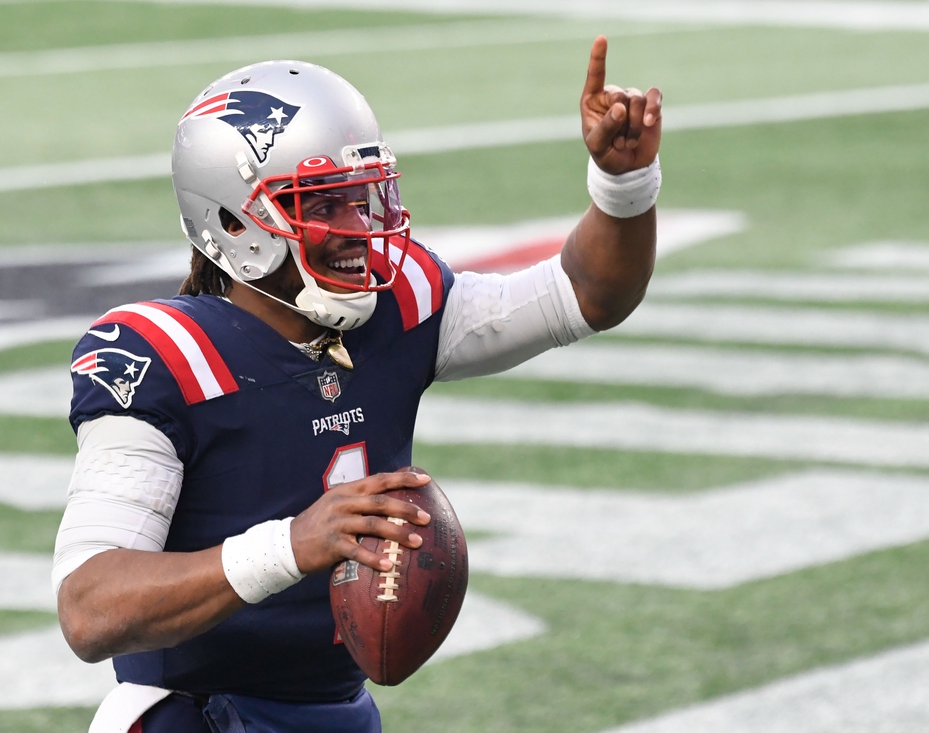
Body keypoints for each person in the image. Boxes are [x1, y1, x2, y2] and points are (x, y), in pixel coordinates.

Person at [53, 36, 662, 733]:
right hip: (192, 718)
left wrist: (623, 187)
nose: (358, 229)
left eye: (362, 200)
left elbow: (583, 294)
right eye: (324, 206)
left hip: (338, 713)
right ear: (233, 221)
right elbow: (90, 608)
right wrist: (290, 546)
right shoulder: (167, 355)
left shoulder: (396, 307)